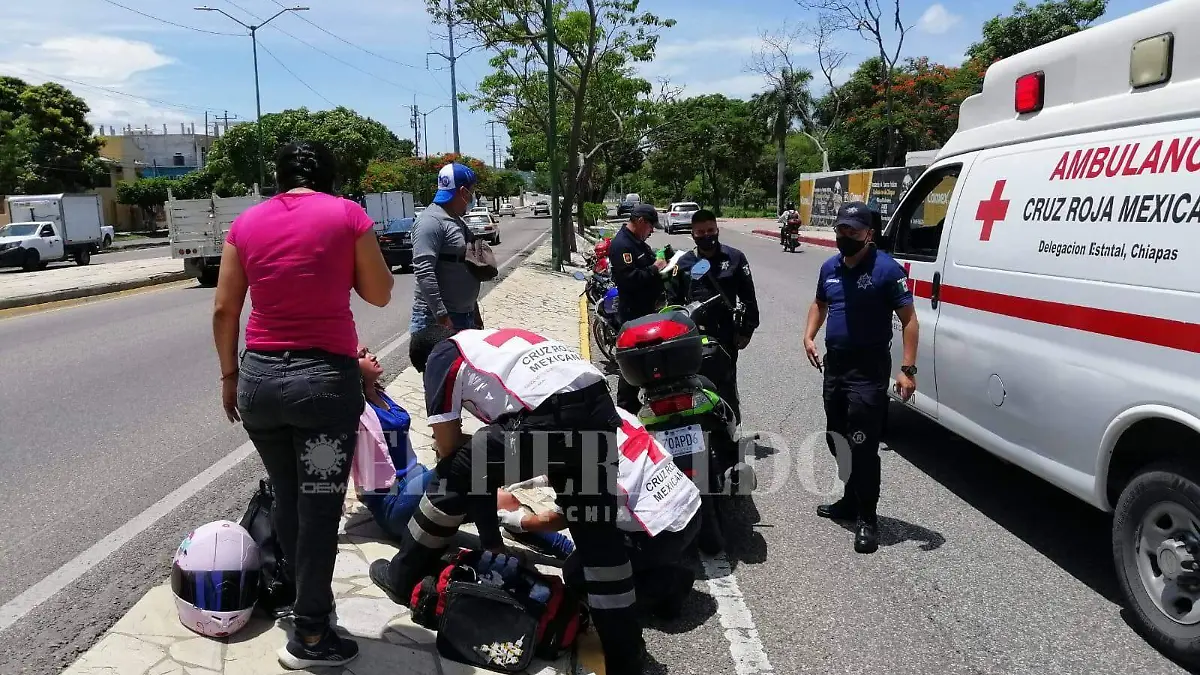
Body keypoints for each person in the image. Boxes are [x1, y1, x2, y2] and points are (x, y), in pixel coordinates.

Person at [367, 325, 699, 675]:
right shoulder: (494, 342)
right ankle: (626, 656)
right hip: (597, 409)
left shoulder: (440, 355)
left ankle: (402, 575)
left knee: (458, 468)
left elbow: (448, 445)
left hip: (553, 415)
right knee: (600, 547)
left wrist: (467, 455)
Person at [212, 140, 394, 669]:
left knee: (289, 496)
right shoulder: (347, 216)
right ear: (329, 177)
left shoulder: (246, 224)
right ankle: (313, 635)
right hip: (322, 387)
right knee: (318, 507)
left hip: (259, 382)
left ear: (279, 176)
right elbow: (380, 293)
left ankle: (301, 602)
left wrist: (229, 376)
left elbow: (225, 308)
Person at [349, 346, 575, 559]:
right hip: (395, 502)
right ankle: (494, 546)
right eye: (362, 355)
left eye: (368, 350)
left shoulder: (381, 394)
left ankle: (566, 549)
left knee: (504, 500)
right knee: (469, 463)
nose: (372, 355)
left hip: (417, 482)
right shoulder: (352, 411)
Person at [802, 201, 918, 554]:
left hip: (868, 370)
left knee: (863, 444)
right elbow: (820, 303)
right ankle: (850, 500)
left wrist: (907, 369)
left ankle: (868, 518)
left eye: (854, 230)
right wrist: (809, 335)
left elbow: (910, 321)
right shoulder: (829, 267)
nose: (846, 235)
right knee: (835, 437)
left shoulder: (886, 270)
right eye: (841, 229)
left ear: (870, 234)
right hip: (835, 366)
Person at [666, 209, 760, 425]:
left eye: (711, 230)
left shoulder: (735, 258)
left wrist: (747, 330)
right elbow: (673, 303)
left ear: (717, 229)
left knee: (725, 385)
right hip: (691, 337)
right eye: (701, 232)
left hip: (725, 336)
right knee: (693, 387)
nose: (706, 235)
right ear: (692, 234)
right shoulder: (682, 263)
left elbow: (749, 298)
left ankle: (731, 434)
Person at [410, 163, 484, 334]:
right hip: (439, 320)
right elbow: (424, 271)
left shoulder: (456, 220)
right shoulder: (430, 221)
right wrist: (442, 316)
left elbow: (466, 265)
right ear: (463, 191)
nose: (473, 197)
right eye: (472, 191)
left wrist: (475, 312)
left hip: (464, 316)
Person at [608, 203, 667, 414]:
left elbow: (650, 263)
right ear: (641, 221)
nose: (651, 232)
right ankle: (625, 412)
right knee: (631, 365)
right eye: (650, 227)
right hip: (633, 315)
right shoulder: (622, 245)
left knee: (650, 361)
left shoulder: (638, 242)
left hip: (648, 311)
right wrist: (654, 268)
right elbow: (629, 280)